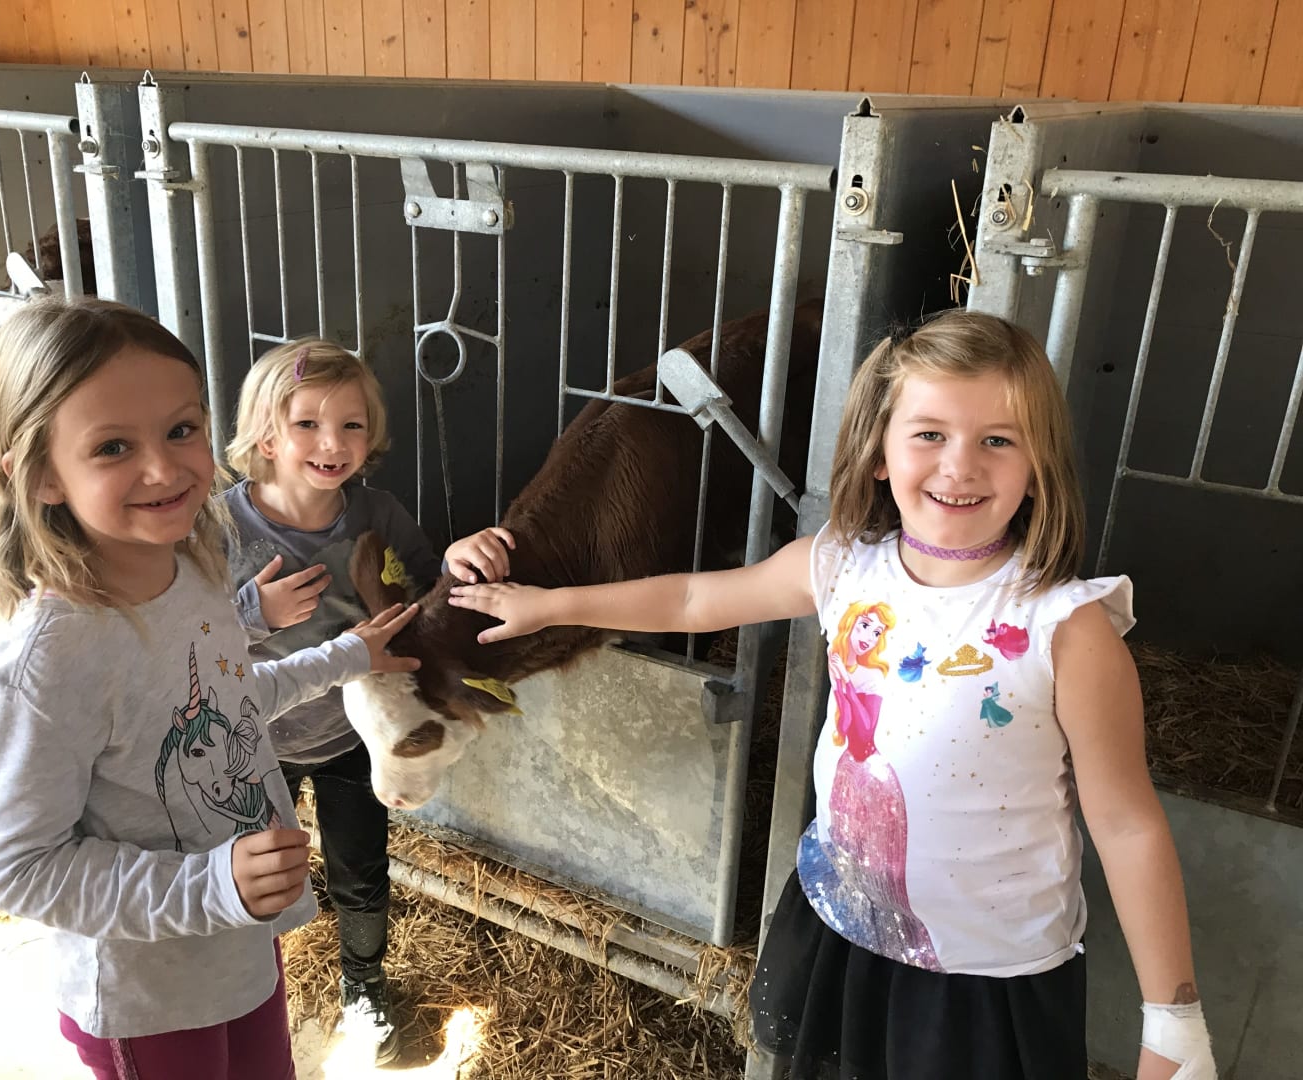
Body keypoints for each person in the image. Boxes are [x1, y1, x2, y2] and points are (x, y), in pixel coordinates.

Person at [449, 311, 1216, 1080]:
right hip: (844, 921)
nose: (960, 466)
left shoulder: (1067, 628)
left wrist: (1173, 1020)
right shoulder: (844, 565)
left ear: (1039, 463)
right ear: (880, 451)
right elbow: (691, 599)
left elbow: (1126, 825)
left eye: (998, 440)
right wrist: (550, 604)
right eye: (929, 434)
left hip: (984, 976)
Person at [0, 296, 420, 1080]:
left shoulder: (195, 569)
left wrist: (347, 657)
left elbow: (230, 707)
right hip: (149, 995)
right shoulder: (46, 666)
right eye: (112, 446)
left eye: (180, 429)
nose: (165, 469)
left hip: (238, 950)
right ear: (41, 475)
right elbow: (19, 866)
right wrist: (211, 884)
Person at [221, 337, 514, 1063]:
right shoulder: (218, 527)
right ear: (266, 435)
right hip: (251, 739)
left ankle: (364, 987)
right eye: (308, 424)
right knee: (253, 872)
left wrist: (453, 563)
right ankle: (246, 988)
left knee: (360, 872)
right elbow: (182, 635)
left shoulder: (376, 512)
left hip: (355, 739)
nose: (333, 443)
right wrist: (252, 613)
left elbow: (422, 591)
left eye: (351, 425)